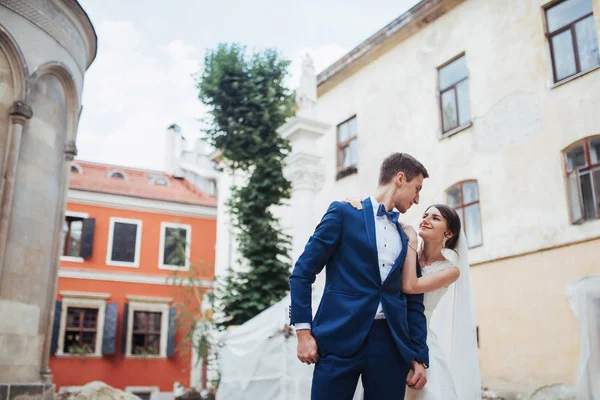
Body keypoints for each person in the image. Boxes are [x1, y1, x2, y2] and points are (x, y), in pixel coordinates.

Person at [289, 152, 429, 400]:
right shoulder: (343, 213)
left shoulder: (406, 236)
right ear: (400, 178)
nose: (418, 199)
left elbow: (414, 299)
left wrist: (419, 355)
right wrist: (303, 332)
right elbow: (302, 273)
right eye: (416, 188)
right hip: (338, 339)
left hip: (390, 345)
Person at [401, 204, 481, 399]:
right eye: (425, 215)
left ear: (449, 232)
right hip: (391, 333)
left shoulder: (450, 271)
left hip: (420, 339)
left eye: (436, 218)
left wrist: (412, 240)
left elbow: (410, 286)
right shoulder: (403, 253)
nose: (426, 220)